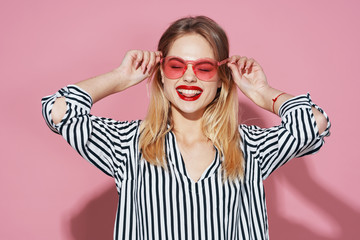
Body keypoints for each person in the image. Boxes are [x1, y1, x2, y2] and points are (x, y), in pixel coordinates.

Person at [41, 16, 330, 239]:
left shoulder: (250, 148)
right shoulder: (129, 144)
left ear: (221, 79)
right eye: (176, 66)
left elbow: (314, 122)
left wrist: (263, 92)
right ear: (161, 75)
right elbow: (58, 110)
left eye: (204, 68)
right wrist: (120, 77)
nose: (189, 78)